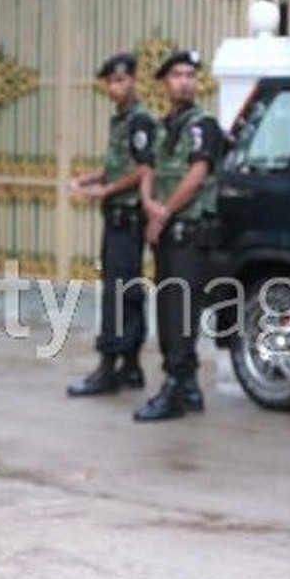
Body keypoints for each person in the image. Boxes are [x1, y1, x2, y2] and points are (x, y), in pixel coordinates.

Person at [134, 49, 223, 422]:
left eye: (190, 74)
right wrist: (148, 204)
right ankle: (188, 388)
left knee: (180, 313)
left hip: (189, 233)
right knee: (168, 309)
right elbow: (148, 170)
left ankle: (175, 387)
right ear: (164, 82)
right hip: (166, 232)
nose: (184, 81)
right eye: (177, 75)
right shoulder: (162, 125)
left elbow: (198, 173)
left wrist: (164, 212)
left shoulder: (204, 125)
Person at [66, 52, 156, 397]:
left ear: (133, 80)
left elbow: (143, 169)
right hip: (117, 213)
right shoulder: (120, 120)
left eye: (122, 80)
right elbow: (118, 166)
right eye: (112, 82)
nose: (117, 87)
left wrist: (106, 189)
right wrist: (90, 179)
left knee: (119, 293)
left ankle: (108, 367)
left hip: (128, 215)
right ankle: (130, 367)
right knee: (126, 291)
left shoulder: (139, 121)